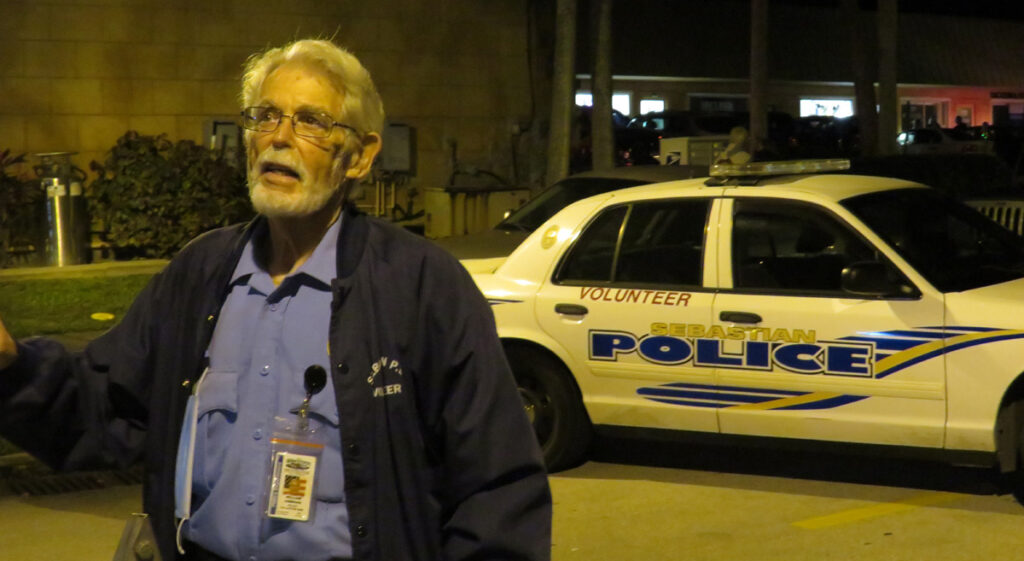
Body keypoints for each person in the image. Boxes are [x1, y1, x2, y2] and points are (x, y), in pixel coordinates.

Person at [0, 39, 551, 561]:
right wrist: (12, 366)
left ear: (359, 157)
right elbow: (104, 410)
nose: (279, 137)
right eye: (265, 116)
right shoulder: (200, 274)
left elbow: (498, 488)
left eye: (310, 121)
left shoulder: (422, 285)